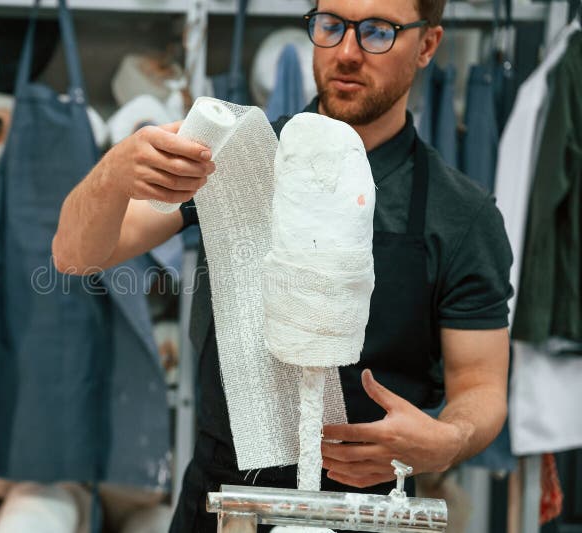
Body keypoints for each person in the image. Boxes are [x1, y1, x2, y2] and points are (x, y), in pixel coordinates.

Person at [52, 0, 513, 531]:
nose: (346, 52)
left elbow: (480, 385)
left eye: (377, 32)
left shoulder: (461, 214)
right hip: (227, 504)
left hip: (371, 508)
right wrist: (112, 173)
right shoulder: (239, 156)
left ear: (427, 44)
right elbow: (73, 255)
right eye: (330, 25)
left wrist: (449, 440)